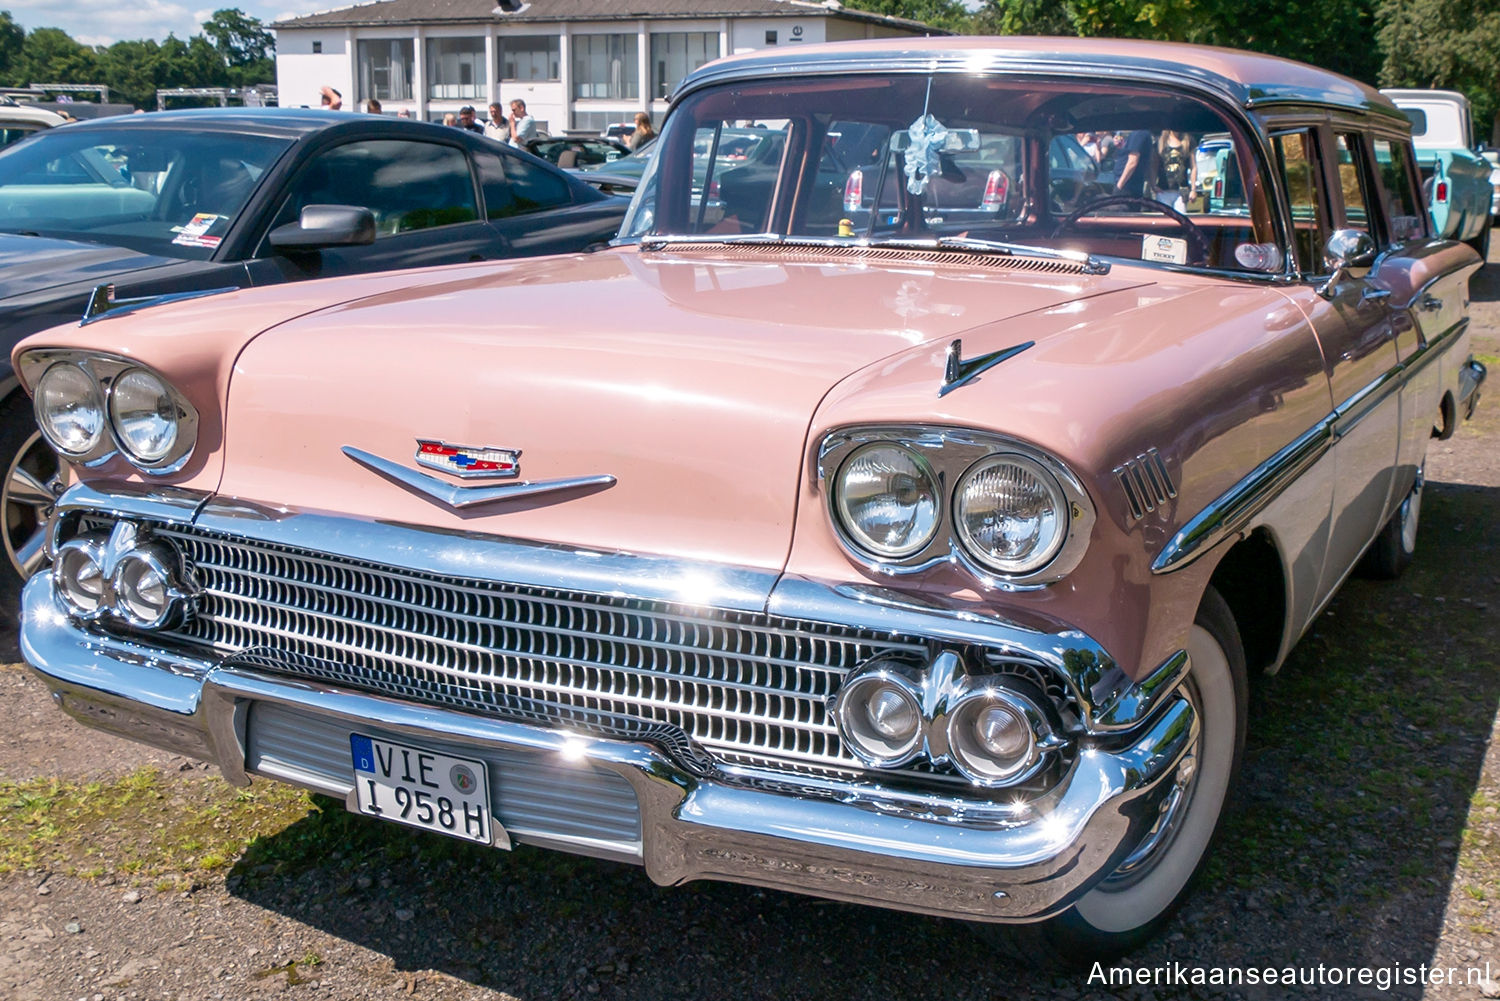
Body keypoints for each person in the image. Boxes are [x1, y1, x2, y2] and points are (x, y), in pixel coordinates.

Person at [1155, 131, 1194, 211]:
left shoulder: (1188, 142)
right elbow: (1153, 165)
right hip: (1163, 190)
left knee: (1181, 218)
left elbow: (1193, 167)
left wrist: (1193, 190)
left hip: (1181, 191)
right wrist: (1153, 184)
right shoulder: (1160, 142)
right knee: (1164, 219)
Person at [1113, 129, 1155, 198]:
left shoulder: (1139, 133)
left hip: (1128, 188)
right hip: (1123, 185)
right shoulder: (1133, 134)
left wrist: (1119, 186)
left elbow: (1132, 162)